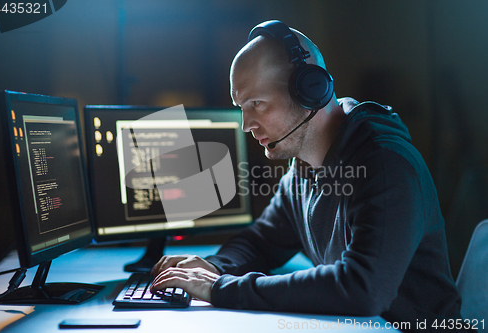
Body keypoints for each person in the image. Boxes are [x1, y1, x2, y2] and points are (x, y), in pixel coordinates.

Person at [150, 20, 463, 328]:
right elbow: (261, 242)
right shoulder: (302, 170)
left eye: (257, 104)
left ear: (308, 91)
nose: (246, 124)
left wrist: (221, 289)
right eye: (242, 107)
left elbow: (362, 289)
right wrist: (214, 268)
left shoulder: (385, 164)